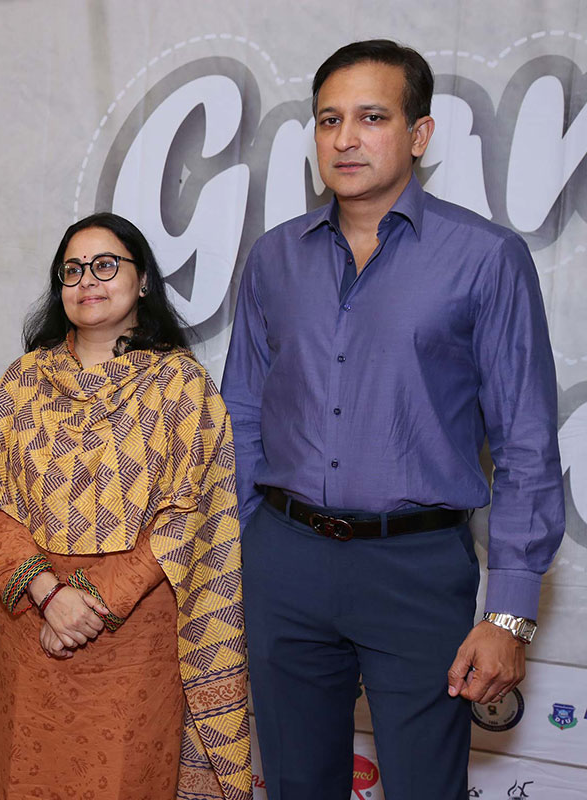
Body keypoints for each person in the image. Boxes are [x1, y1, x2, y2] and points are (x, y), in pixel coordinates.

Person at [221, 40, 565, 800]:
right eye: (328, 120)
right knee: (294, 785)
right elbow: (242, 410)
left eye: (372, 117)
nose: (345, 138)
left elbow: (527, 444)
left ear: (419, 134)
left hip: (417, 570)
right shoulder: (273, 259)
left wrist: (510, 616)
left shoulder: (486, 258)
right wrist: (248, 542)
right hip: (284, 563)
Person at [0, 212, 251, 800]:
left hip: (134, 639)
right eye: (72, 269)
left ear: (143, 281)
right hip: (31, 624)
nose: (87, 280)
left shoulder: (181, 386)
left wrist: (91, 603)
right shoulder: (23, 381)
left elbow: (187, 516)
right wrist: (50, 596)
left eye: (105, 265)